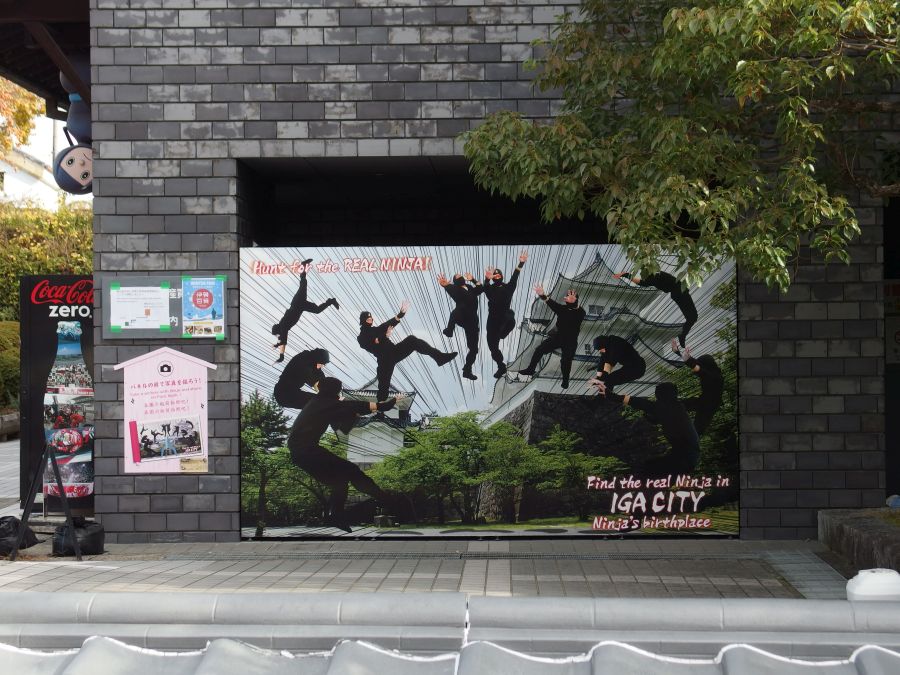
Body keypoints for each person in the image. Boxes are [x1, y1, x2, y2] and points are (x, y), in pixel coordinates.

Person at [285, 377, 409, 529]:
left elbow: (341, 421)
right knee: (352, 470)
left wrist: (349, 411)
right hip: (307, 450)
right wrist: (395, 399)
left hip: (299, 453)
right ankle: (385, 499)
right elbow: (382, 406)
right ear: (335, 391)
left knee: (339, 480)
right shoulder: (333, 403)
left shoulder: (316, 402)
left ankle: (335, 516)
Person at [594, 379, 701, 472]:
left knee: (647, 469)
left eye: (657, 395)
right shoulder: (676, 407)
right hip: (686, 456)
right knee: (649, 468)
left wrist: (610, 394)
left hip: (685, 457)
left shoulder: (667, 408)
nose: (656, 398)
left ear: (662, 396)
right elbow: (662, 417)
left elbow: (640, 403)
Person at [358, 301, 456, 401]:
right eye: (368, 319)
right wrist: (385, 336)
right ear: (363, 321)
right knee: (383, 386)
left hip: (394, 351)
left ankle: (439, 357)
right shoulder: (361, 337)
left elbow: (387, 324)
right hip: (384, 360)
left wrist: (400, 314)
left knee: (412, 340)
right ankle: (381, 407)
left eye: (371, 318)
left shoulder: (376, 329)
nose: (371, 320)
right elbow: (373, 343)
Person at [517, 286, 586, 389]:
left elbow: (577, 309)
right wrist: (542, 294)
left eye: (570, 297)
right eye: (567, 296)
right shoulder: (562, 309)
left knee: (566, 360)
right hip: (558, 337)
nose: (567, 298)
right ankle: (531, 369)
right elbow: (550, 302)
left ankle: (565, 380)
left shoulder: (580, 312)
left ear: (576, 300)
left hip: (570, 341)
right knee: (539, 349)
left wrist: (574, 302)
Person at [271, 258, 339, 362]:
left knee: (303, 283)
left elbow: (283, 341)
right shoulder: (283, 326)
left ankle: (303, 266)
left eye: (277, 334)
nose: (279, 336)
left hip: (298, 303)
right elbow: (283, 340)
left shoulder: (283, 326)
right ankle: (331, 301)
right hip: (300, 306)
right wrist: (280, 350)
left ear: (278, 330)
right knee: (316, 309)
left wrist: (281, 354)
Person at [614, 271, 698, 347]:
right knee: (693, 317)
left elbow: (642, 282)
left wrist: (625, 275)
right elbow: (642, 282)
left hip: (678, 293)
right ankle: (682, 335)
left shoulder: (655, 276)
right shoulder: (656, 276)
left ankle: (682, 335)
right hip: (680, 292)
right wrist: (625, 275)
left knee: (692, 317)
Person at [484, 249, 528, 378]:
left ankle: (504, 332)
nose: (497, 276)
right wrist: (487, 279)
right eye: (495, 276)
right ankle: (501, 366)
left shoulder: (508, 287)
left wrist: (521, 263)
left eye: (499, 275)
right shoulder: (490, 289)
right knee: (492, 347)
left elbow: (515, 277)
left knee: (510, 315)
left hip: (505, 317)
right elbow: (485, 288)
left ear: (502, 276)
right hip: (492, 321)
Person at [669, 339, 724, 436]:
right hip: (703, 400)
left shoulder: (715, 376)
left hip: (710, 406)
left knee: (697, 429)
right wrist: (677, 352)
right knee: (678, 405)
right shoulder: (711, 370)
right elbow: (694, 362)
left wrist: (689, 361)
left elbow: (699, 369)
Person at [438, 272, 483, 380]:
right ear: (455, 281)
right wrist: (445, 285)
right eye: (458, 277)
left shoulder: (470, 288)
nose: (460, 277)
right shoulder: (456, 289)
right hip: (462, 316)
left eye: (461, 276)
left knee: (474, 349)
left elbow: (480, 288)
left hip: (472, 321)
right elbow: (451, 290)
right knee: (459, 308)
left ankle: (467, 370)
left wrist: (472, 279)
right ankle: (450, 329)